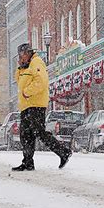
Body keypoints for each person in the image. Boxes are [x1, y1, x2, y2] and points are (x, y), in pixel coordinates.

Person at [12, 43, 72, 171]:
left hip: (36, 104)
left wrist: (27, 92)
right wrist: (20, 67)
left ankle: (63, 152)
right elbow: (18, 80)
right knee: (26, 135)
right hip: (26, 106)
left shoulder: (37, 62)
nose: (20, 58)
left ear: (27, 53)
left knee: (39, 132)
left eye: (21, 55)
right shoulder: (26, 66)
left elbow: (41, 82)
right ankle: (28, 162)